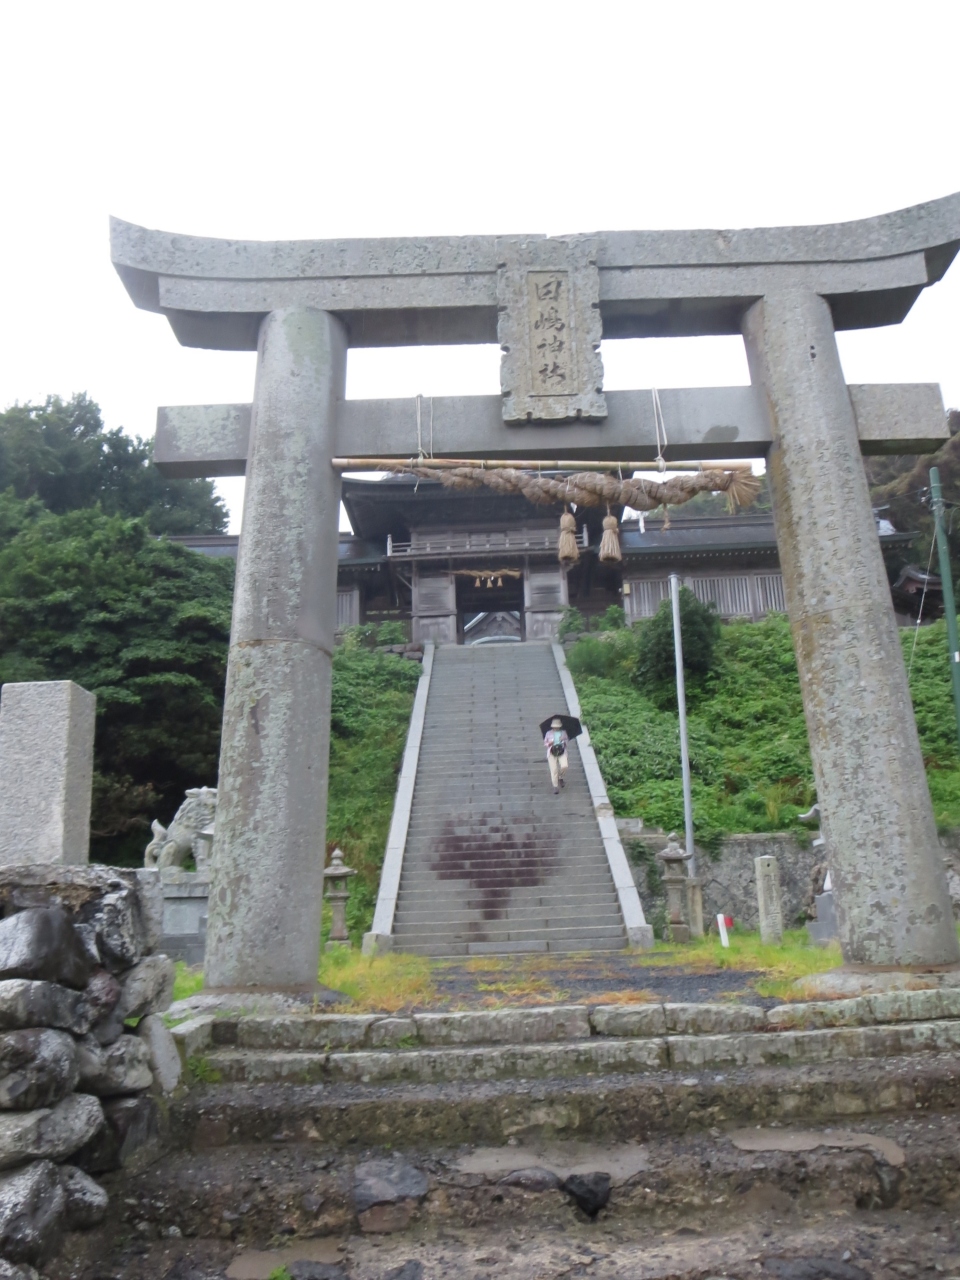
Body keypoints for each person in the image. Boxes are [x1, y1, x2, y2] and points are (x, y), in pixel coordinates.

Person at [544, 717, 569, 794]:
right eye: (554, 727)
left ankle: (560, 777)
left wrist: (563, 740)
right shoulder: (548, 733)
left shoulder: (563, 732)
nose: (556, 728)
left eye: (557, 727)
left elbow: (567, 740)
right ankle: (555, 786)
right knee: (554, 770)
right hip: (552, 752)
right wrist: (550, 743)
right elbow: (545, 743)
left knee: (564, 766)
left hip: (561, 751)